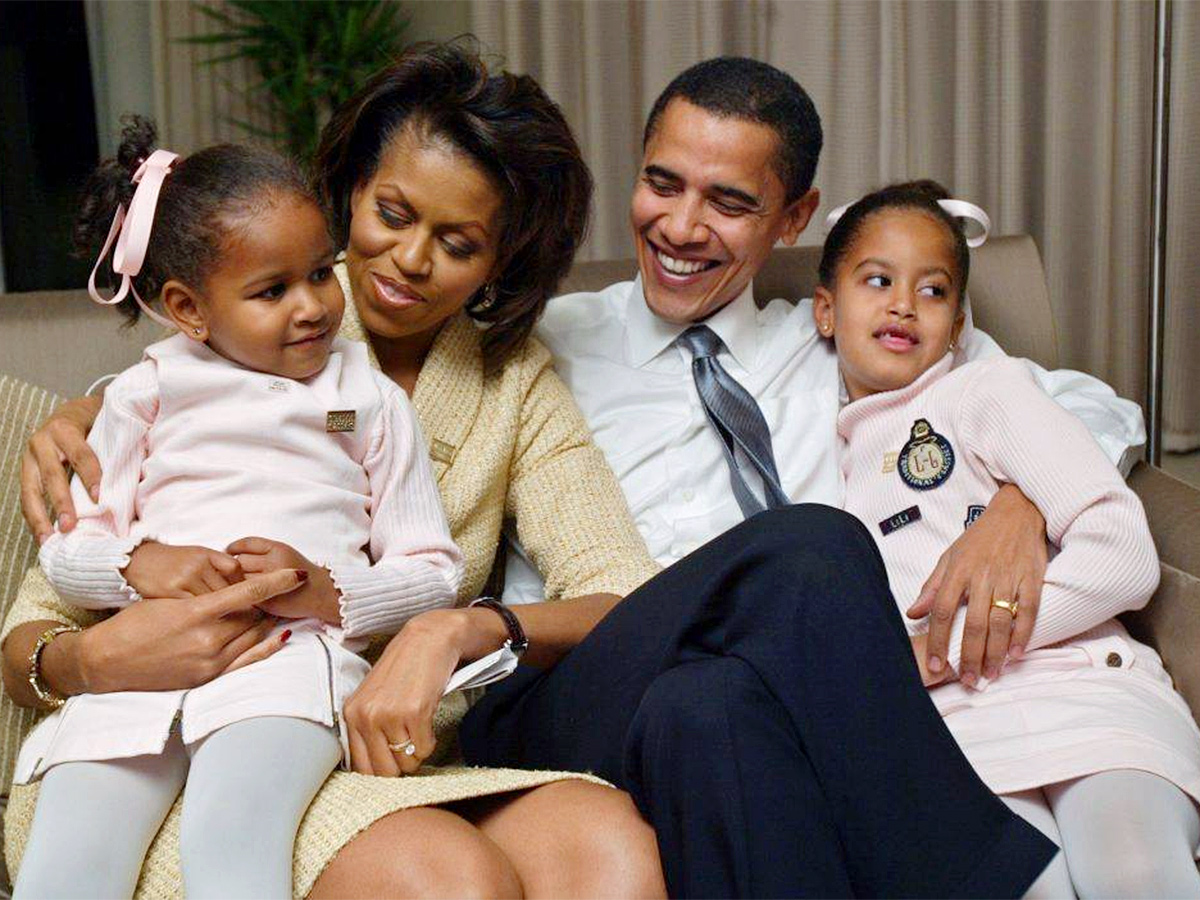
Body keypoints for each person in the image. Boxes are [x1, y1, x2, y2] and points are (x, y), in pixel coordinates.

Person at [454, 58, 1146, 896]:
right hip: (568, 686)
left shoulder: (842, 337)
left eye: (729, 202)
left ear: (794, 219)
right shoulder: (549, 339)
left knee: (711, 710)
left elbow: (1079, 405)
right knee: (813, 548)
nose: (679, 226)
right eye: (661, 184)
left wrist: (1021, 502)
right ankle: (991, 882)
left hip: (725, 692)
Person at [5, 42, 665, 899]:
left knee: (608, 844)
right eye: (392, 213)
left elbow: (623, 595)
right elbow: (36, 622)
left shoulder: (509, 386)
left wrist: (456, 627)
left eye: (458, 241)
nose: (410, 260)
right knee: (446, 876)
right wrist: (95, 657)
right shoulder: (228, 323)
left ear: (505, 259)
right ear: (349, 189)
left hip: (364, 742)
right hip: (156, 751)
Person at [13, 119, 466, 899]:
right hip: (136, 679)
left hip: (285, 667)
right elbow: (64, 550)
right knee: (66, 868)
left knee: (232, 843)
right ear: (189, 308)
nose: (314, 307)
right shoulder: (139, 396)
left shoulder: (365, 401)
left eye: (322, 273)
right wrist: (136, 565)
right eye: (272, 290)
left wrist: (328, 590)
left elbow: (433, 570)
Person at [818, 179, 1200, 899]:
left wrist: (948, 647)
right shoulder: (818, 455)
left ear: (958, 324)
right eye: (878, 280)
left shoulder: (985, 392)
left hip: (1086, 691)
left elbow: (1122, 554)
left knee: (1134, 875)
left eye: (932, 291)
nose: (903, 302)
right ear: (825, 311)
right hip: (956, 733)